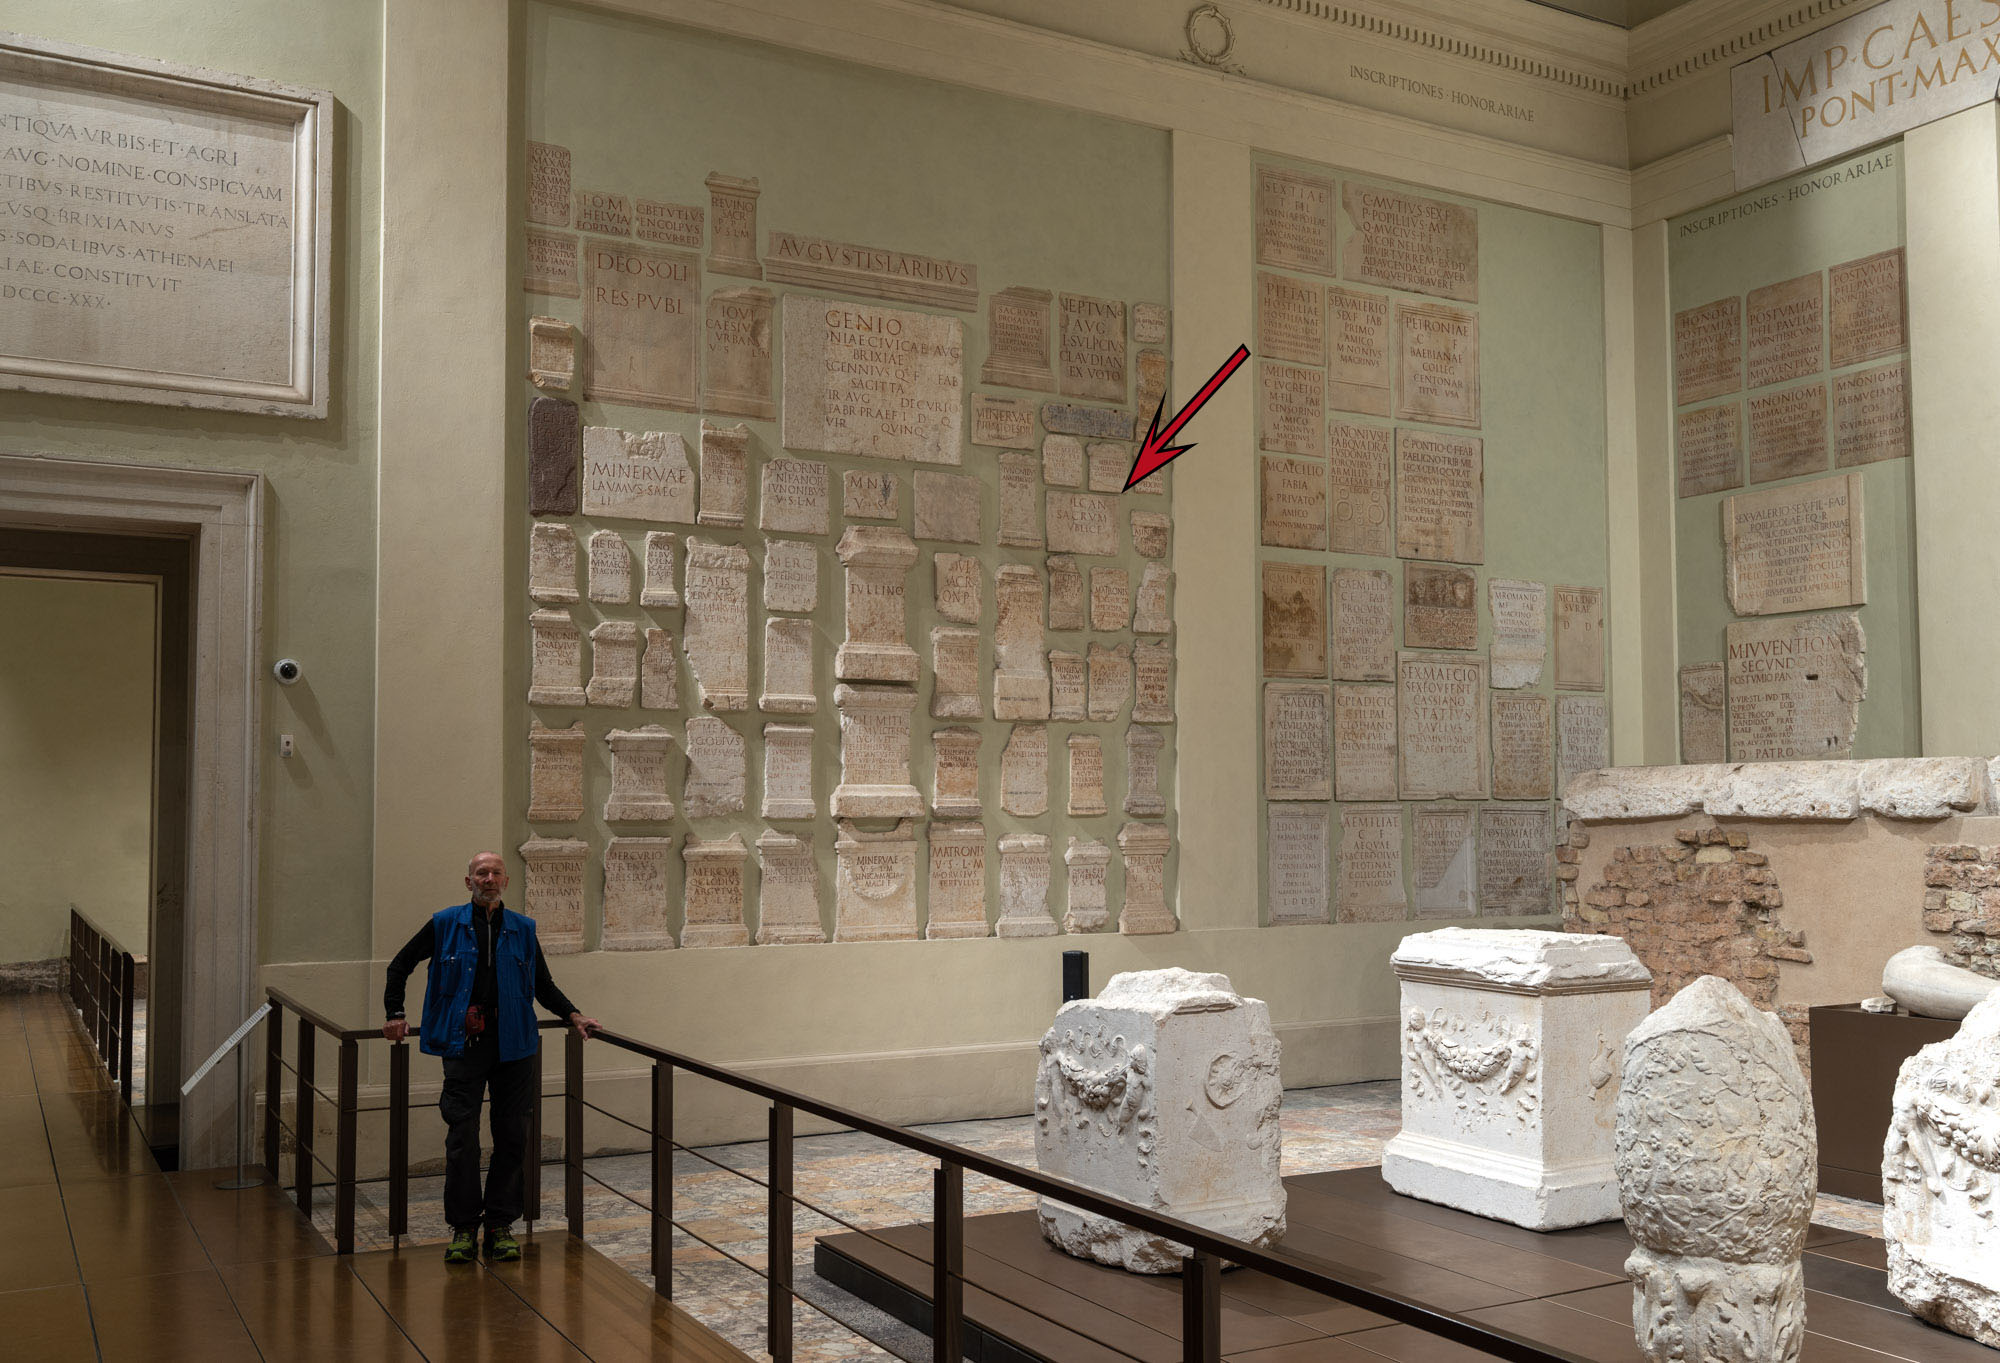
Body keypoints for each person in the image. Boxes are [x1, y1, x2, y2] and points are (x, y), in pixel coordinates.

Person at [384, 851, 598, 1264]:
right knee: (462, 1137)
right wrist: (395, 1013)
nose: (489, 879)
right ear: (469, 882)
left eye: (496, 873)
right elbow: (400, 965)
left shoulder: (522, 928)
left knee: (513, 1136)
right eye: (481, 873)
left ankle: (500, 1225)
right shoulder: (444, 923)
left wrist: (574, 1015)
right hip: (464, 1045)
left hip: (514, 1045)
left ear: (505, 881)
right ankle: (464, 1228)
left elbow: (543, 985)